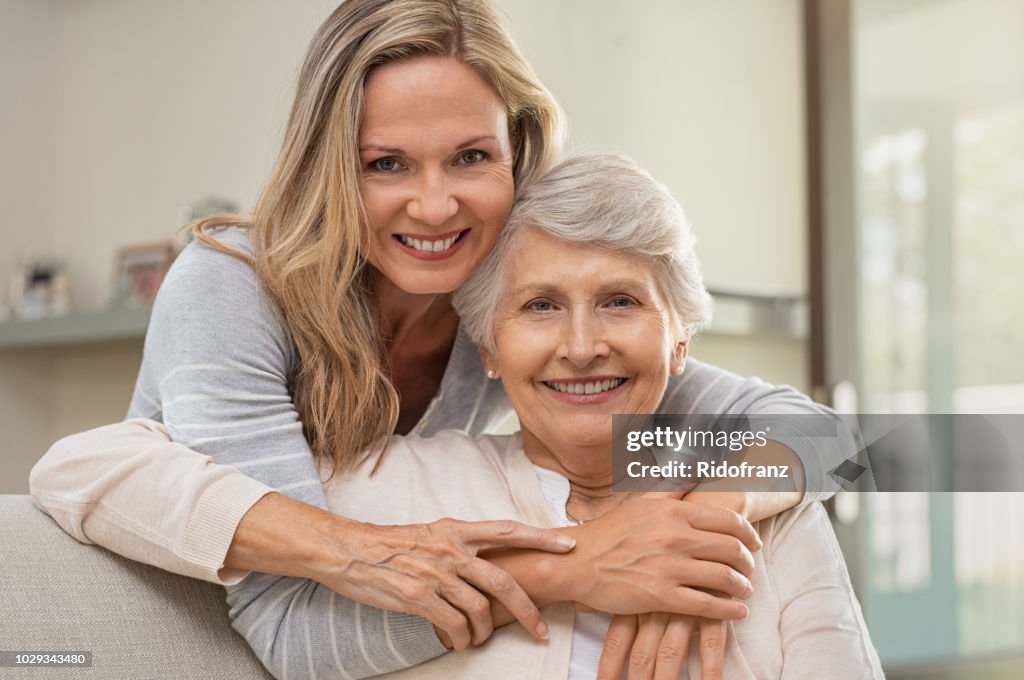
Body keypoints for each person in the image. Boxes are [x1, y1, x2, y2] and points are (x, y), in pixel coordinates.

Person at [30, 1, 851, 677]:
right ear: (330, 168)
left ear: (517, 151)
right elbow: (286, 627)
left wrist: (695, 524)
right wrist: (582, 565)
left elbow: (822, 434)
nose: (433, 207)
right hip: (180, 625)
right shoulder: (233, 286)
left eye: (469, 157)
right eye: (386, 164)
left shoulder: (501, 297)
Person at [270, 150, 887, 678]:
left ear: (680, 342)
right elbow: (284, 630)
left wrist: (702, 523)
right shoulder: (388, 485)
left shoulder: (771, 502)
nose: (583, 347)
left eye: (621, 301)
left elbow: (844, 443)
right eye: (540, 306)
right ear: (488, 348)